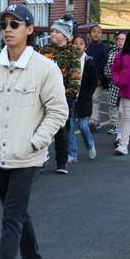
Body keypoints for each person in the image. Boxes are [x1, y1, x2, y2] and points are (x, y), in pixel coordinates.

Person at [0, 4, 69, 259]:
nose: (8, 29)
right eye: (3, 24)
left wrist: (35, 142)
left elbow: (58, 111)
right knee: (16, 212)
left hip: (28, 157)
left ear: (29, 29)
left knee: (11, 216)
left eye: (15, 23)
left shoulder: (45, 68)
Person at [39, 14, 80, 174]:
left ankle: (61, 162)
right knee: (41, 131)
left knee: (62, 132)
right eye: (52, 31)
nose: (53, 34)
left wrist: (70, 96)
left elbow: (75, 76)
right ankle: (39, 161)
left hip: (63, 99)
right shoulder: (44, 50)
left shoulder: (72, 53)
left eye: (57, 31)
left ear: (65, 35)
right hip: (43, 98)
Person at [67, 35, 97, 162]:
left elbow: (93, 81)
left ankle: (90, 146)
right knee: (71, 126)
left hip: (83, 100)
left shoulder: (89, 61)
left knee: (83, 125)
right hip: (71, 98)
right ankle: (72, 153)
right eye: (75, 43)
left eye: (81, 43)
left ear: (85, 47)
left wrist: (88, 94)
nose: (78, 45)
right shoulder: (68, 61)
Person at [85, 25, 108, 130]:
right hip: (85, 79)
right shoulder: (86, 48)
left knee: (95, 98)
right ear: (90, 34)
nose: (96, 34)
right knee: (87, 99)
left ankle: (94, 120)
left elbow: (105, 65)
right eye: (93, 31)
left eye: (99, 32)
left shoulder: (104, 49)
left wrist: (101, 78)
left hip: (98, 79)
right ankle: (90, 119)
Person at [103, 31, 126, 137]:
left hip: (126, 84)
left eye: (123, 39)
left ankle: (127, 125)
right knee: (113, 105)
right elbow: (107, 68)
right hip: (114, 83)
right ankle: (114, 124)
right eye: (118, 39)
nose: (120, 41)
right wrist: (113, 78)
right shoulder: (112, 52)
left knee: (125, 106)